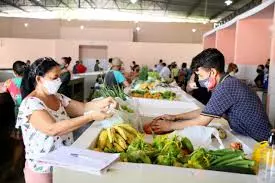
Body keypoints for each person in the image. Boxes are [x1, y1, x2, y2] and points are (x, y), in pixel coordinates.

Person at [17, 57, 116, 183]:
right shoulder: (31, 104)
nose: (58, 81)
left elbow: (83, 107)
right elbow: (52, 129)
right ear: (38, 79)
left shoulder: (58, 97)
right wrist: (90, 117)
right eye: (54, 77)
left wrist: (104, 102)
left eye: (59, 76)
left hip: (63, 162)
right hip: (43, 169)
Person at [151, 48, 271, 142]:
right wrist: (175, 117)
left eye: (202, 76)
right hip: (250, 138)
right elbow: (205, 111)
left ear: (213, 72)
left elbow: (202, 121)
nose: (201, 80)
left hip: (261, 142)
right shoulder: (226, 83)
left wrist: (170, 125)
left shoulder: (226, 86)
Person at [0, 61, 27, 179]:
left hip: (19, 115)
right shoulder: (31, 81)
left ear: (14, 72)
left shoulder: (9, 82)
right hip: (33, 113)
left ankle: (15, 167)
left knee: (19, 142)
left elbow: (2, 91)